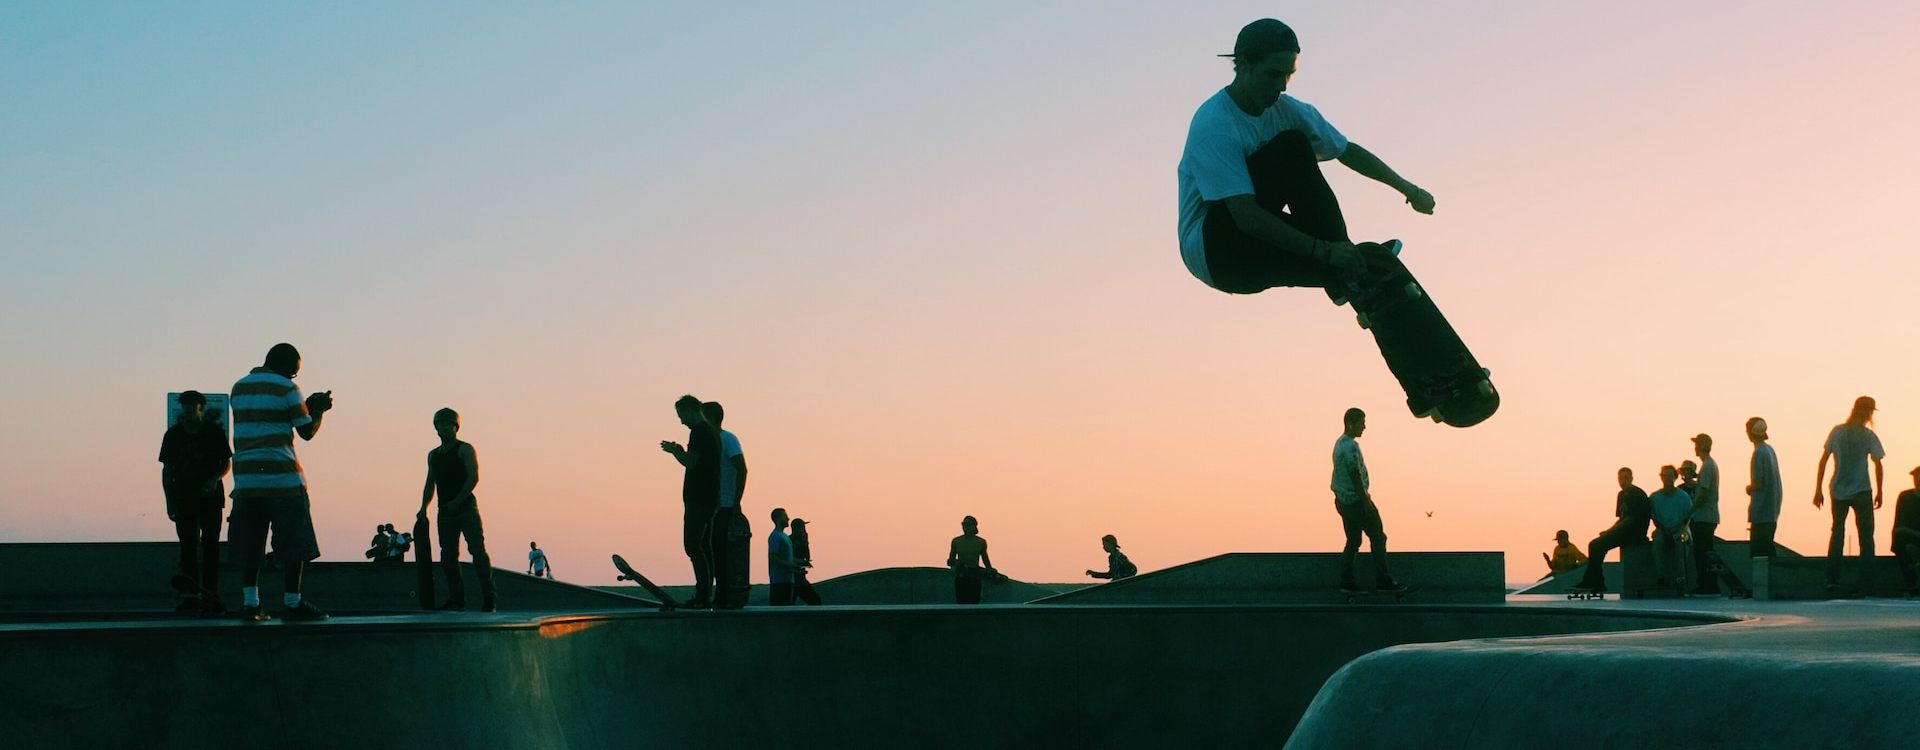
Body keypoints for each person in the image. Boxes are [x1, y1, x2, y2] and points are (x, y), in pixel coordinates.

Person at [228, 343, 332, 621]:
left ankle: (251, 604)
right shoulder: (287, 388)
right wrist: (318, 409)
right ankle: (292, 602)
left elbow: (266, 420)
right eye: (294, 373)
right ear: (287, 366)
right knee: (293, 541)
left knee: (250, 543)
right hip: (283, 478)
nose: (293, 378)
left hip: (246, 480)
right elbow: (306, 430)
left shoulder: (238, 387)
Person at [159, 390, 232, 615]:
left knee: (211, 547)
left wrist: (214, 479)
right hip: (183, 497)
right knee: (187, 547)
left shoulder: (213, 432)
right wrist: (169, 501)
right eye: (185, 406)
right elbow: (167, 470)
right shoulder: (173, 435)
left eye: (192, 405)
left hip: (210, 499)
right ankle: (190, 596)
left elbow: (226, 463)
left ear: (200, 407)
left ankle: (210, 594)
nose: (188, 409)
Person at [418, 408, 496, 612]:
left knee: (477, 551)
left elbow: (473, 477)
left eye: (447, 424)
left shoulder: (465, 449)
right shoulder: (433, 455)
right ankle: (456, 600)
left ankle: (489, 598)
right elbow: (429, 484)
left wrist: (457, 500)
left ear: (456, 427)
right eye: (440, 424)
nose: (443, 427)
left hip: (466, 507)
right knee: (448, 556)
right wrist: (422, 508)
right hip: (444, 511)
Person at [1813, 396, 1885, 594]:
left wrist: (1818, 489)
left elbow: (1823, 460)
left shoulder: (1838, 432)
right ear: (1869, 413)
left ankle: (1832, 579)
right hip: (1862, 490)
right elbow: (1878, 464)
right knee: (1866, 536)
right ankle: (1866, 582)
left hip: (1838, 489)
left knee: (1837, 533)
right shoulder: (1868, 436)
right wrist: (1880, 490)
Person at [1330, 408, 1402, 591]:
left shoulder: (1339, 444)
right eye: (1362, 423)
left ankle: (1347, 582)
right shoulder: (1350, 447)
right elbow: (1355, 475)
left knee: (1353, 540)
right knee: (1378, 537)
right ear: (1350, 424)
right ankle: (1383, 580)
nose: (1364, 427)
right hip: (1356, 501)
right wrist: (1366, 501)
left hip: (1342, 501)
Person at [660, 395, 721, 608]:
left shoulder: (700, 432)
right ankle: (705, 594)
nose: (681, 421)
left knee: (693, 546)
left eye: (681, 415)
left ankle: (703, 595)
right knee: (704, 546)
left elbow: (691, 462)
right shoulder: (710, 431)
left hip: (699, 499)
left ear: (690, 410)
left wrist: (675, 451)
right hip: (709, 498)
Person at [1572, 468, 1653, 595]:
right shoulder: (1621, 495)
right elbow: (1622, 518)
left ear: (1631, 479)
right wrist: (1609, 531)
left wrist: (1611, 532)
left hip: (1635, 533)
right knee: (1596, 545)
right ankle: (1597, 582)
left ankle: (1593, 581)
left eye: (1626, 478)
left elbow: (1630, 519)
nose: (1623, 481)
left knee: (1596, 545)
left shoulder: (1636, 494)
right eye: (1621, 478)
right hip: (1624, 531)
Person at [702, 401, 750, 609]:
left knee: (720, 551)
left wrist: (736, 501)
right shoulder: (708, 441)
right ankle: (707, 593)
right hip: (709, 505)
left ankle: (722, 596)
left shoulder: (728, 439)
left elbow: (742, 468)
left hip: (725, 504)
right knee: (707, 550)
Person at [1688, 435, 1724, 594]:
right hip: (1708, 516)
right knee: (1705, 550)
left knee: (1702, 553)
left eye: (1696, 445)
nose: (1694, 448)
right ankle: (1709, 584)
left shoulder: (1708, 466)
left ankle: (1707, 584)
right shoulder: (1709, 466)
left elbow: (1702, 495)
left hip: (1704, 517)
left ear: (1701, 446)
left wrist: (1689, 512)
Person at [1648, 465, 1694, 590]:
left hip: (1681, 528)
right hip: (1662, 529)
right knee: (1657, 540)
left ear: (1675, 477)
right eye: (1664, 475)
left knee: (1682, 541)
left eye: (1670, 475)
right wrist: (1664, 530)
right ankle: (1662, 577)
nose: (1667, 478)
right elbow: (1654, 518)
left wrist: (1677, 529)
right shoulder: (1654, 497)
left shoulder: (1683, 497)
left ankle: (1681, 577)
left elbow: (1688, 517)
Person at [1746, 417, 1783, 559]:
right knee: (1768, 550)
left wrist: (1748, 488)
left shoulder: (1758, 453)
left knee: (1759, 555)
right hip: (1772, 511)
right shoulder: (1769, 450)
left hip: (1761, 513)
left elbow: (1758, 483)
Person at [767, 508, 812, 606]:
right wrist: (792, 566)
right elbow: (773, 558)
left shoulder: (785, 537)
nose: (788, 518)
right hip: (779, 582)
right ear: (778, 518)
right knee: (780, 613)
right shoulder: (775, 536)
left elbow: (789, 558)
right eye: (785, 516)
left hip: (788, 581)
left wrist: (800, 562)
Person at [947, 516, 994, 605]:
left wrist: (990, 571)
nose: (965, 526)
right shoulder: (956, 541)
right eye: (963, 524)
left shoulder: (981, 542)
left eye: (968, 524)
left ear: (974, 526)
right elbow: (950, 561)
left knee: (974, 603)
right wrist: (958, 563)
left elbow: (985, 560)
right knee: (961, 603)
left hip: (975, 576)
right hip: (961, 576)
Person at [1892, 467, 1920, 596]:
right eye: (1916, 477)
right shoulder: (1905, 497)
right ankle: (1912, 582)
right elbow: (1899, 525)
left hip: (1914, 535)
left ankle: (1914, 582)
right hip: (1907, 537)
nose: (1917, 480)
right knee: (1901, 542)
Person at [787, 518, 823, 606]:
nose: (804, 529)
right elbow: (789, 558)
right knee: (815, 601)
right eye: (802, 527)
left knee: (790, 603)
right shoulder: (790, 541)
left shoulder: (801, 540)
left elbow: (807, 556)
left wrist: (806, 542)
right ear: (796, 528)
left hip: (799, 577)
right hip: (796, 578)